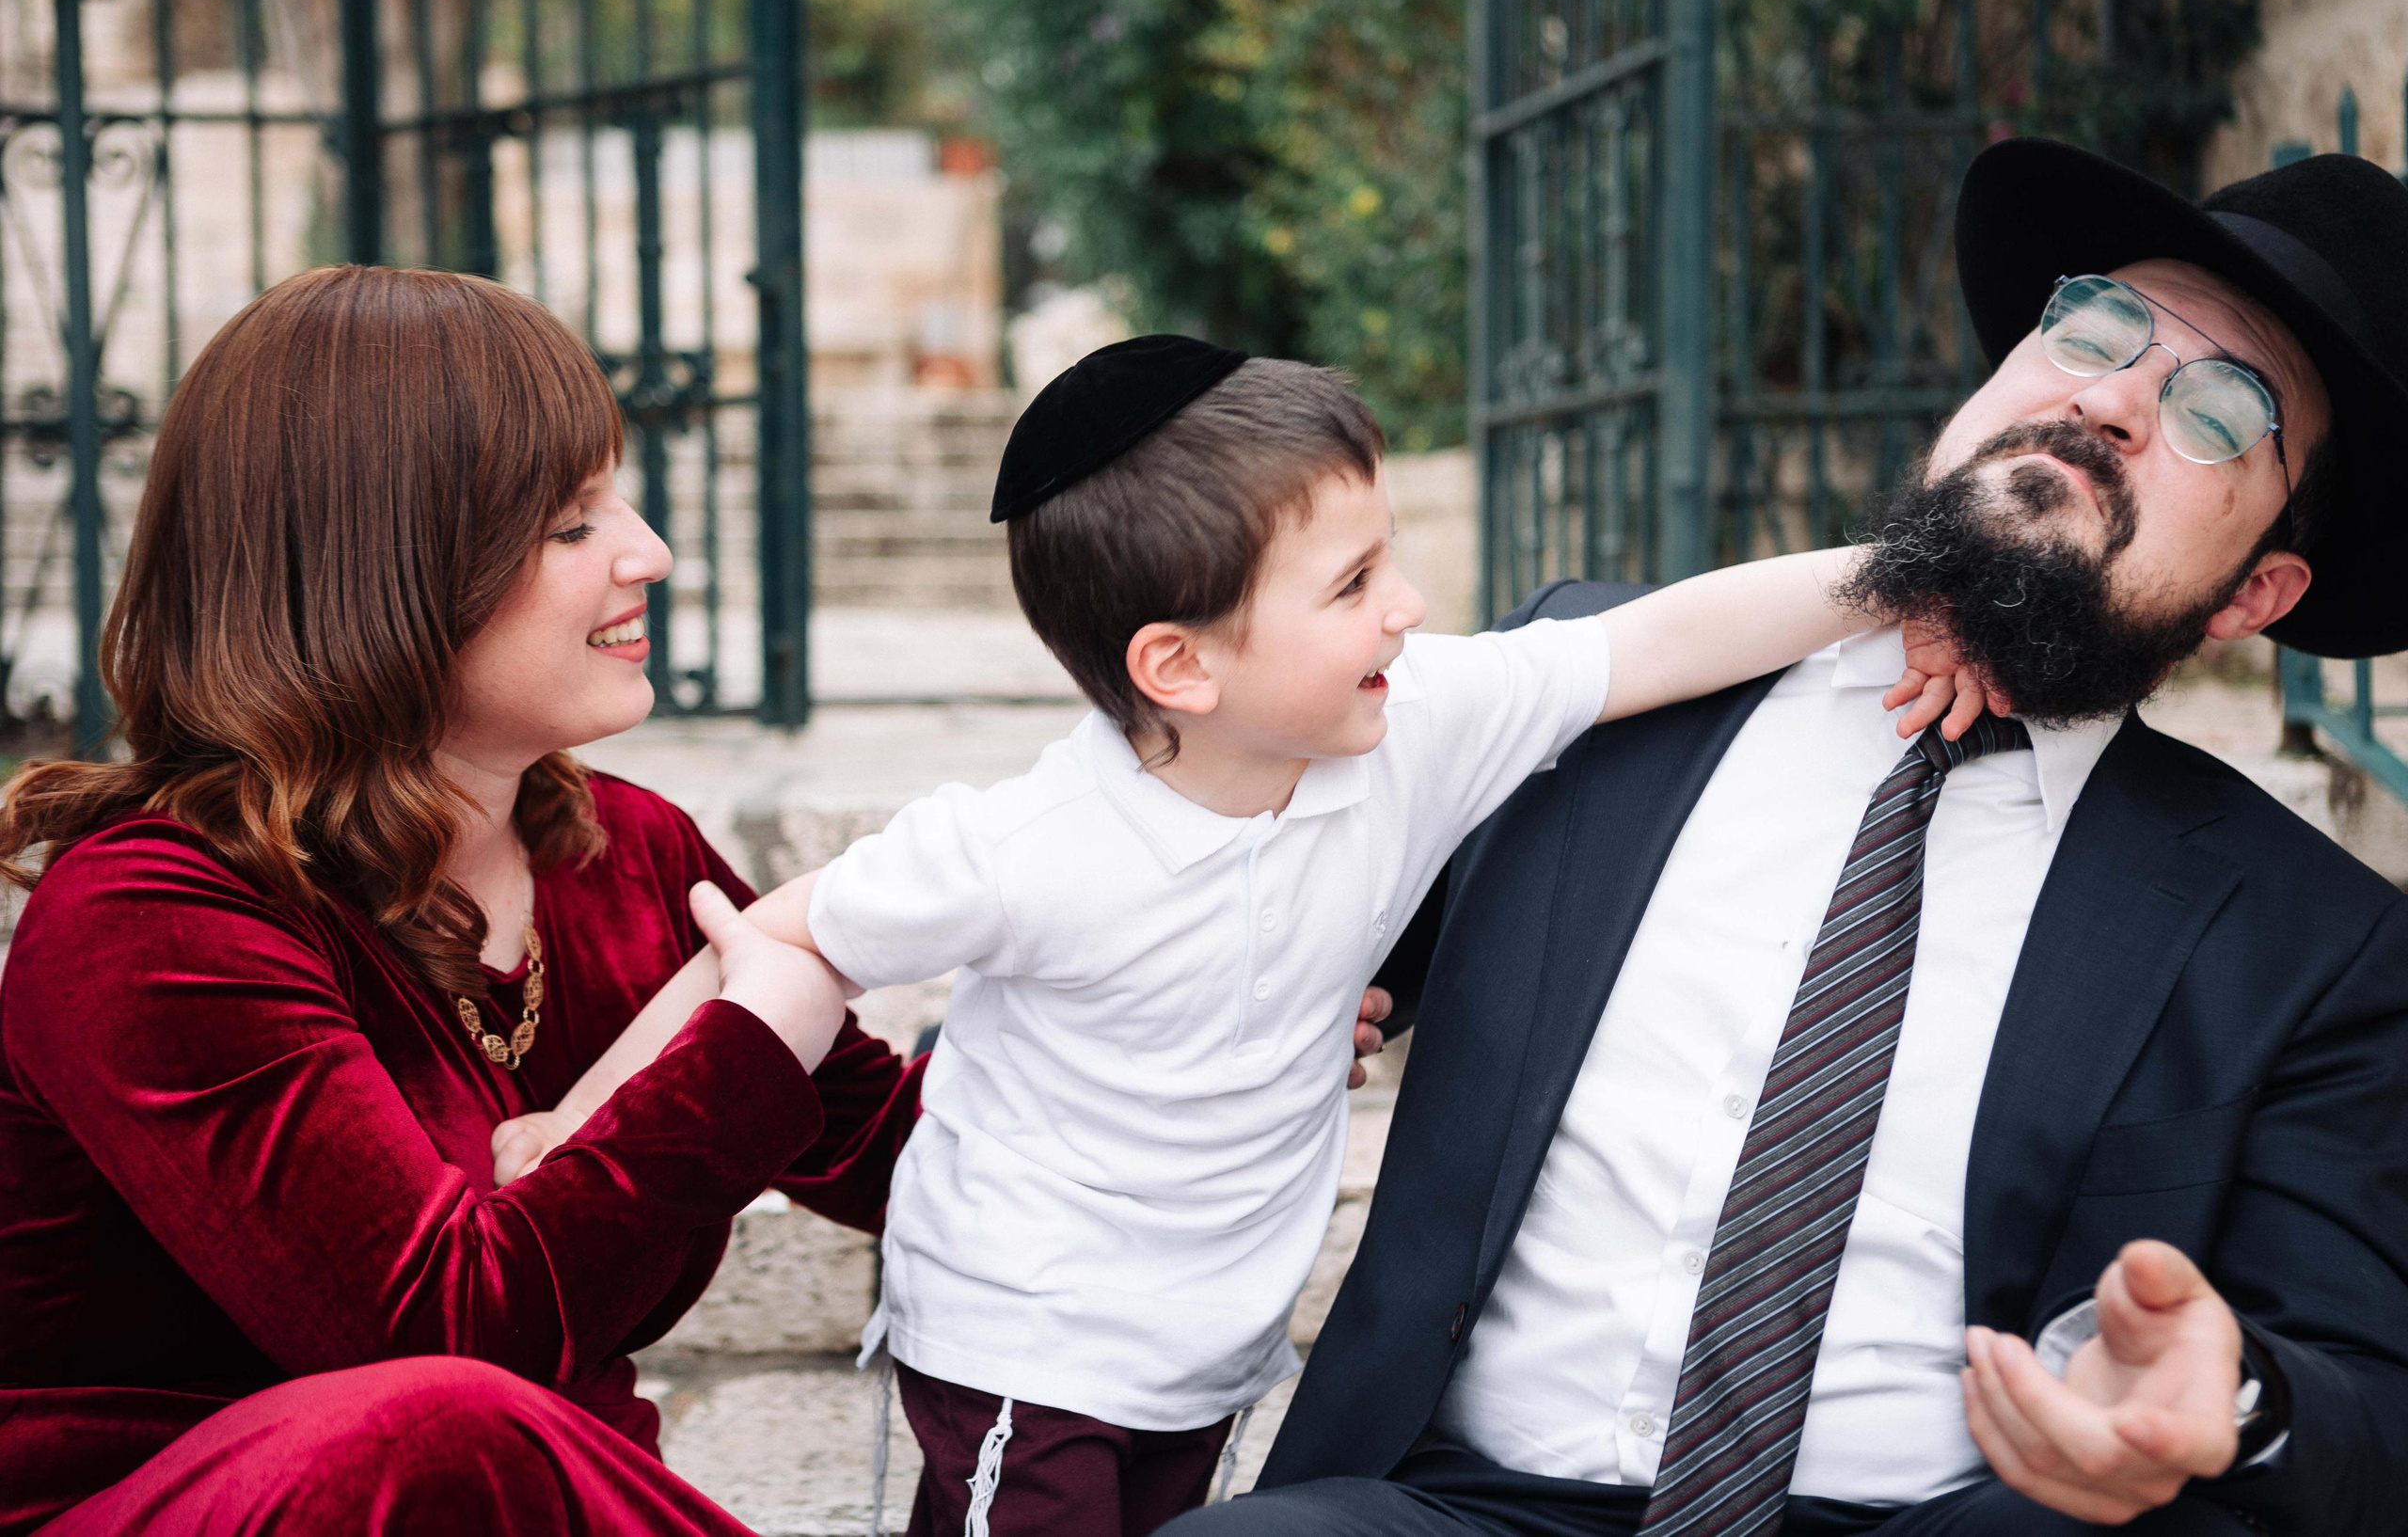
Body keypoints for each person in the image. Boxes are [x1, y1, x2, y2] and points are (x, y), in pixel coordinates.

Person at [499, 338, 1983, 1537]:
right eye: (1351, 586)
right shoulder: (1028, 845)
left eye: (1387, 559)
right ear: (1178, 665)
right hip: (1030, 1338)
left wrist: (1906, 583)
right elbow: (775, 938)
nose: (1406, 610)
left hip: (1209, 1337)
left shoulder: (1419, 725)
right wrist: (575, 1118)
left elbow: (1652, 641)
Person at [1160, 140, 2408, 1537]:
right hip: (1470, 1508)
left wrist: (2235, 1407)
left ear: (2257, 592)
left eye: (2222, 411)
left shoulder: (2314, 942)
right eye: (2096, 326)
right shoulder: (1595, 684)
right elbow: (1227, 896)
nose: (2112, 397)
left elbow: (2370, 1398)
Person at [0, 265, 919, 1534]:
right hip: (199, 1507)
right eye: (571, 525)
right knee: (434, 1425)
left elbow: (908, 1158)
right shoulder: (151, 921)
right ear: (377, 571)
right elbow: (449, 1334)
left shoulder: (626, 853)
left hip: (562, 1500)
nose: (648, 553)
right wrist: (757, 1029)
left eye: (621, 504)